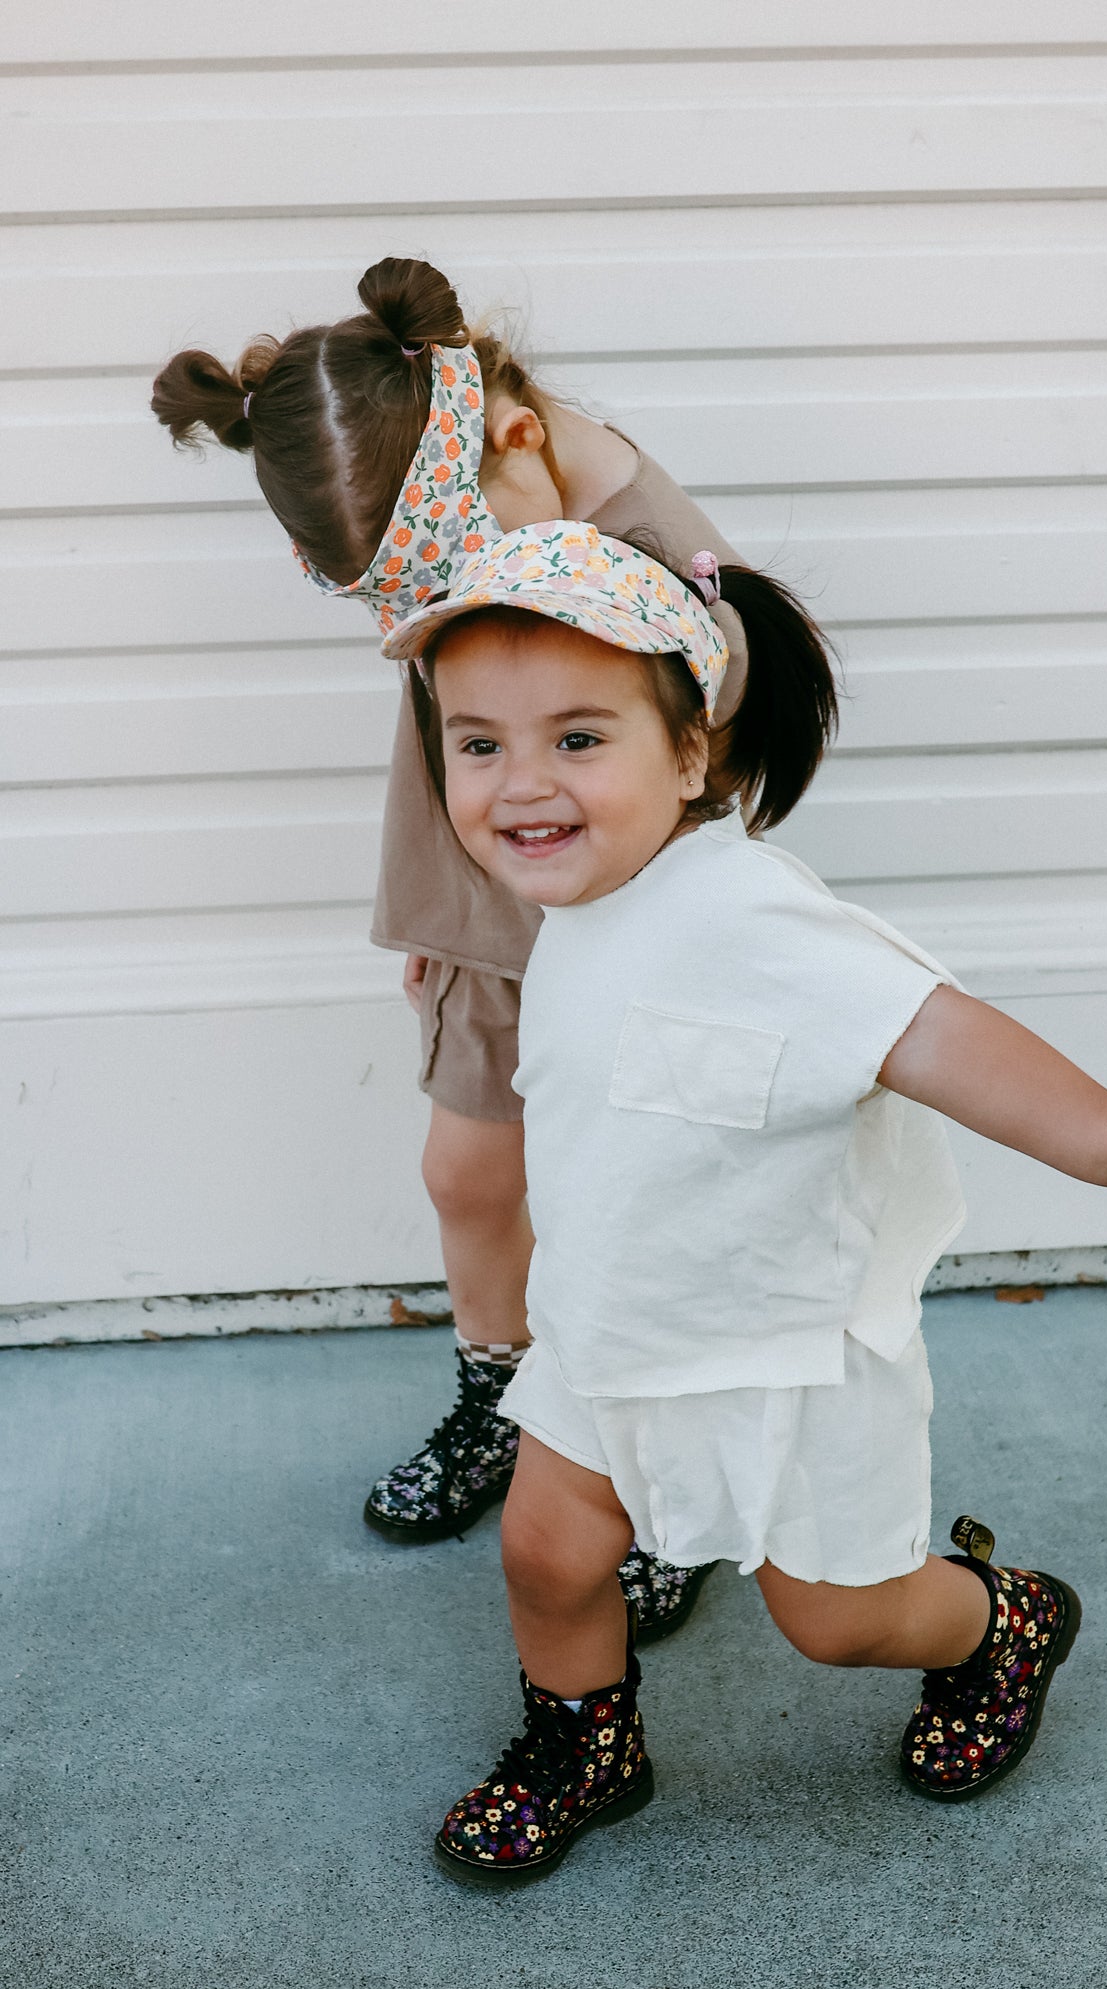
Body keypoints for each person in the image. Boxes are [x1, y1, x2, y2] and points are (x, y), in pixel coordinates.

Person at [381, 519, 1107, 1883]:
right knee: (546, 1551)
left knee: (837, 1616)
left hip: (774, 1352)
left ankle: (997, 1623)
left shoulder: (752, 920)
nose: (521, 783)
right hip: (612, 1329)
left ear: (692, 752)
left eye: (579, 740)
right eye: (478, 745)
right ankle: (585, 1746)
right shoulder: (579, 891)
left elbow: (933, 1031)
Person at [151, 258, 747, 1636]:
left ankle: (671, 1472)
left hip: (642, 925)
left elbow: (722, 741)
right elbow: (446, 729)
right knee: (469, 1171)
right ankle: (501, 1394)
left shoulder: (662, 553)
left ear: (516, 437)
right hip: (490, 914)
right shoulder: (468, 521)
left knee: (639, 1204)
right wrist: (435, 903)